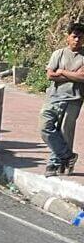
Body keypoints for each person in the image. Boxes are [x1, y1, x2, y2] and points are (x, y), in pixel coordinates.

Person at [40, 22, 84, 177]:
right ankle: (68, 156)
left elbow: (82, 76)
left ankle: (54, 165)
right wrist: (73, 75)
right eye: (74, 36)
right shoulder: (58, 54)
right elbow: (50, 75)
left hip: (74, 99)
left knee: (65, 132)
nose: (77, 40)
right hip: (53, 97)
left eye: (80, 37)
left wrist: (62, 72)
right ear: (68, 37)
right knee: (45, 127)